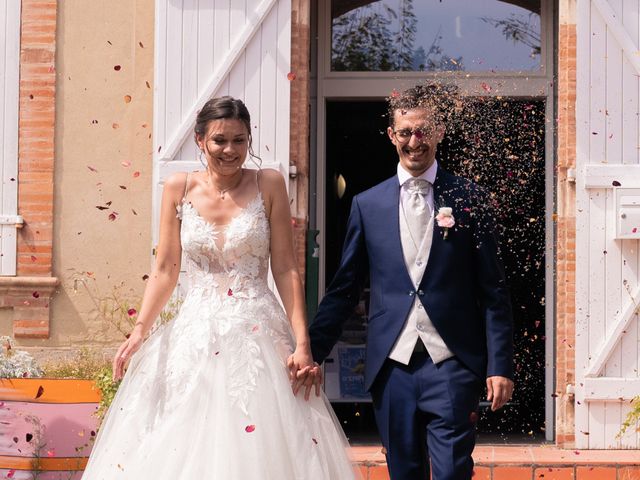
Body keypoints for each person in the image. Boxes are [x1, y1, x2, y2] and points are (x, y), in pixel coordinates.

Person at [82, 96, 359, 479]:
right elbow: (165, 268)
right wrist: (140, 331)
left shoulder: (271, 183)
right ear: (200, 141)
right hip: (194, 333)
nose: (230, 150)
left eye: (239, 140)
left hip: (257, 332)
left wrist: (302, 343)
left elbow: (285, 267)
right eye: (220, 140)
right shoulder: (178, 188)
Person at [302, 84, 514, 480]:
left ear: (439, 132)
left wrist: (500, 365)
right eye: (405, 132)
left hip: (451, 363)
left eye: (424, 131)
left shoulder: (471, 199)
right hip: (392, 367)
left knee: (452, 471)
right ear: (391, 136)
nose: (414, 142)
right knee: (404, 471)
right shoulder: (367, 204)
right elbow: (345, 288)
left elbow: (493, 292)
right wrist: (310, 351)